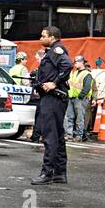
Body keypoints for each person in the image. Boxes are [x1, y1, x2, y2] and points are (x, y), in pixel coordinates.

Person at [32, 26, 72, 184]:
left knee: (50, 136)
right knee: (58, 137)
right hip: (50, 98)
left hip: (53, 99)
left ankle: (47, 173)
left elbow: (67, 66)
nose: (40, 39)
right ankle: (59, 173)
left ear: (53, 37)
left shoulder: (57, 51)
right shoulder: (52, 51)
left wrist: (54, 83)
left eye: (43, 36)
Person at [65, 56, 95, 141]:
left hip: (80, 99)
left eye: (76, 62)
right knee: (69, 117)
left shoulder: (87, 74)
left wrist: (80, 96)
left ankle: (79, 135)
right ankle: (69, 134)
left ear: (82, 62)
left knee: (79, 118)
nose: (75, 64)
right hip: (71, 98)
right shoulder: (74, 73)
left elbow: (87, 87)